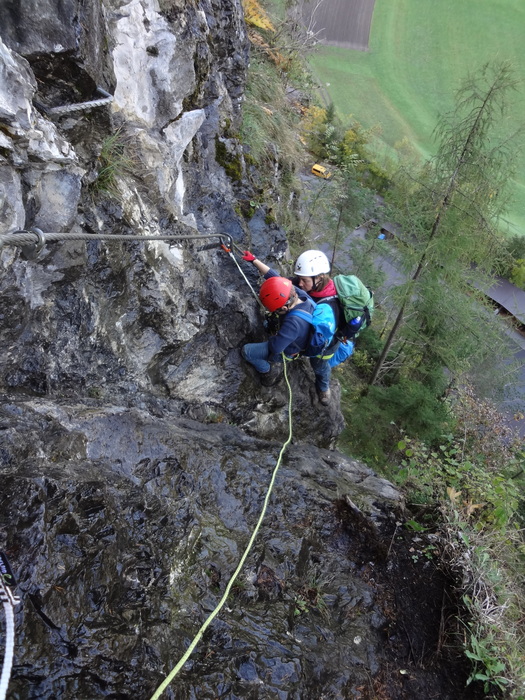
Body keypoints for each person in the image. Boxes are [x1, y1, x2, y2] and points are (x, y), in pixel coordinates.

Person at [241, 249, 340, 405]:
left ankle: (267, 371)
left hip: (299, 349)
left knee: (247, 351)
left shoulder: (295, 322)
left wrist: (276, 336)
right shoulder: (302, 295)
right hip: (301, 334)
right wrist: (254, 260)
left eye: (304, 279)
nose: (300, 283)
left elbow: (276, 347)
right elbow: (277, 279)